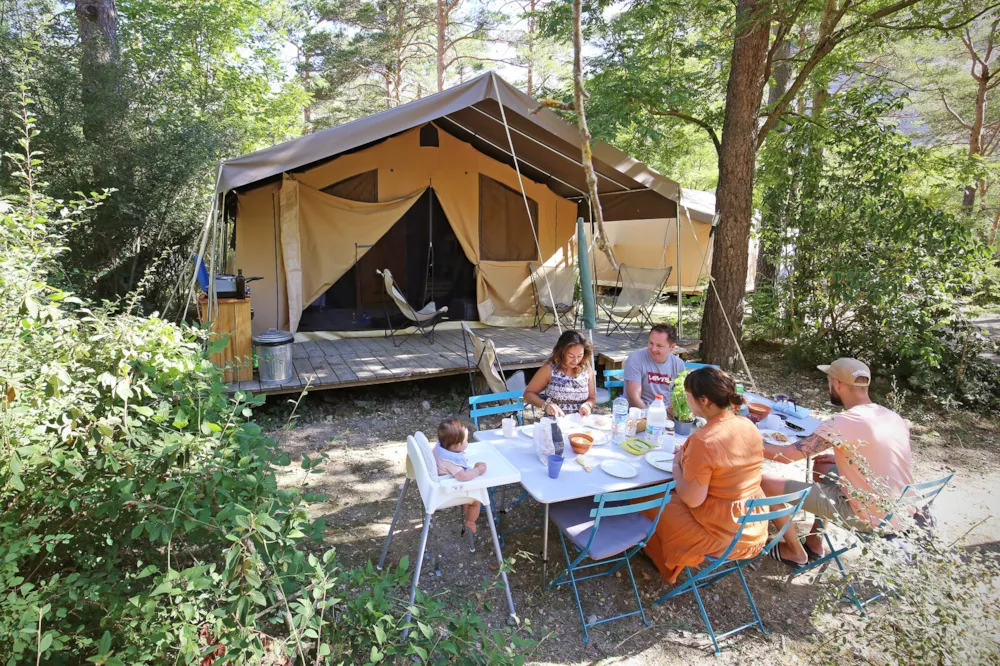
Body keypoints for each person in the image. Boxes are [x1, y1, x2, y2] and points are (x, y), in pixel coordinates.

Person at [760, 358, 914, 566]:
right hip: (899, 511)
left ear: (838, 384)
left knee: (763, 482)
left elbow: (786, 456)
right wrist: (843, 459)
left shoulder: (843, 422)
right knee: (824, 465)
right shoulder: (890, 416)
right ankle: (815, 541)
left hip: (866, 516)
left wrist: (747, 439)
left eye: (829, 381)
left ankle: (794, 551)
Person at [640, 367, 767, 583]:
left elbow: (692, 498)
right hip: (754, 523)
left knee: (645, 498)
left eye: (688, 395)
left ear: (704, 400)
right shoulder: (747, 424)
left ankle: (664, 560)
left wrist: (676, 466)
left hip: (725, 534)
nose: (686, 400)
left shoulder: (705, 441)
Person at [524, 330, 597, 418]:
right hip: (555, 424)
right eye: (571, 356)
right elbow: (528, 394)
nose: (576, 360)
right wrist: (546, 405)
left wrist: (587, 405)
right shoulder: (550, 369)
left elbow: (592, 398)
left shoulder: (586, 367)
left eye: (580, 356)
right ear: (562, 352)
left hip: (580, 423)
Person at [433, 418, 487, 534]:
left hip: (443, 480)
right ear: (457, 446)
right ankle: (470, 521)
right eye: (466, 440)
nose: (468, 442)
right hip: (451, 488)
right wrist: (477, 470)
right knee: (476, 501)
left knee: (470, 496)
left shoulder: (441, 447)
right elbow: (462, 476)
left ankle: (465, 505)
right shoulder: (451, 462)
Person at [623, 323, 686, 410]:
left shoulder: (678, 364)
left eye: (659, 345)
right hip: (640, 412)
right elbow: (634, 398)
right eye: (651, 343)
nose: (653, 349)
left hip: (666, 412)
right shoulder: (636, 359)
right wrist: (650, 416)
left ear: (672, 347)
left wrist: (668, 414)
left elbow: (681, 395)